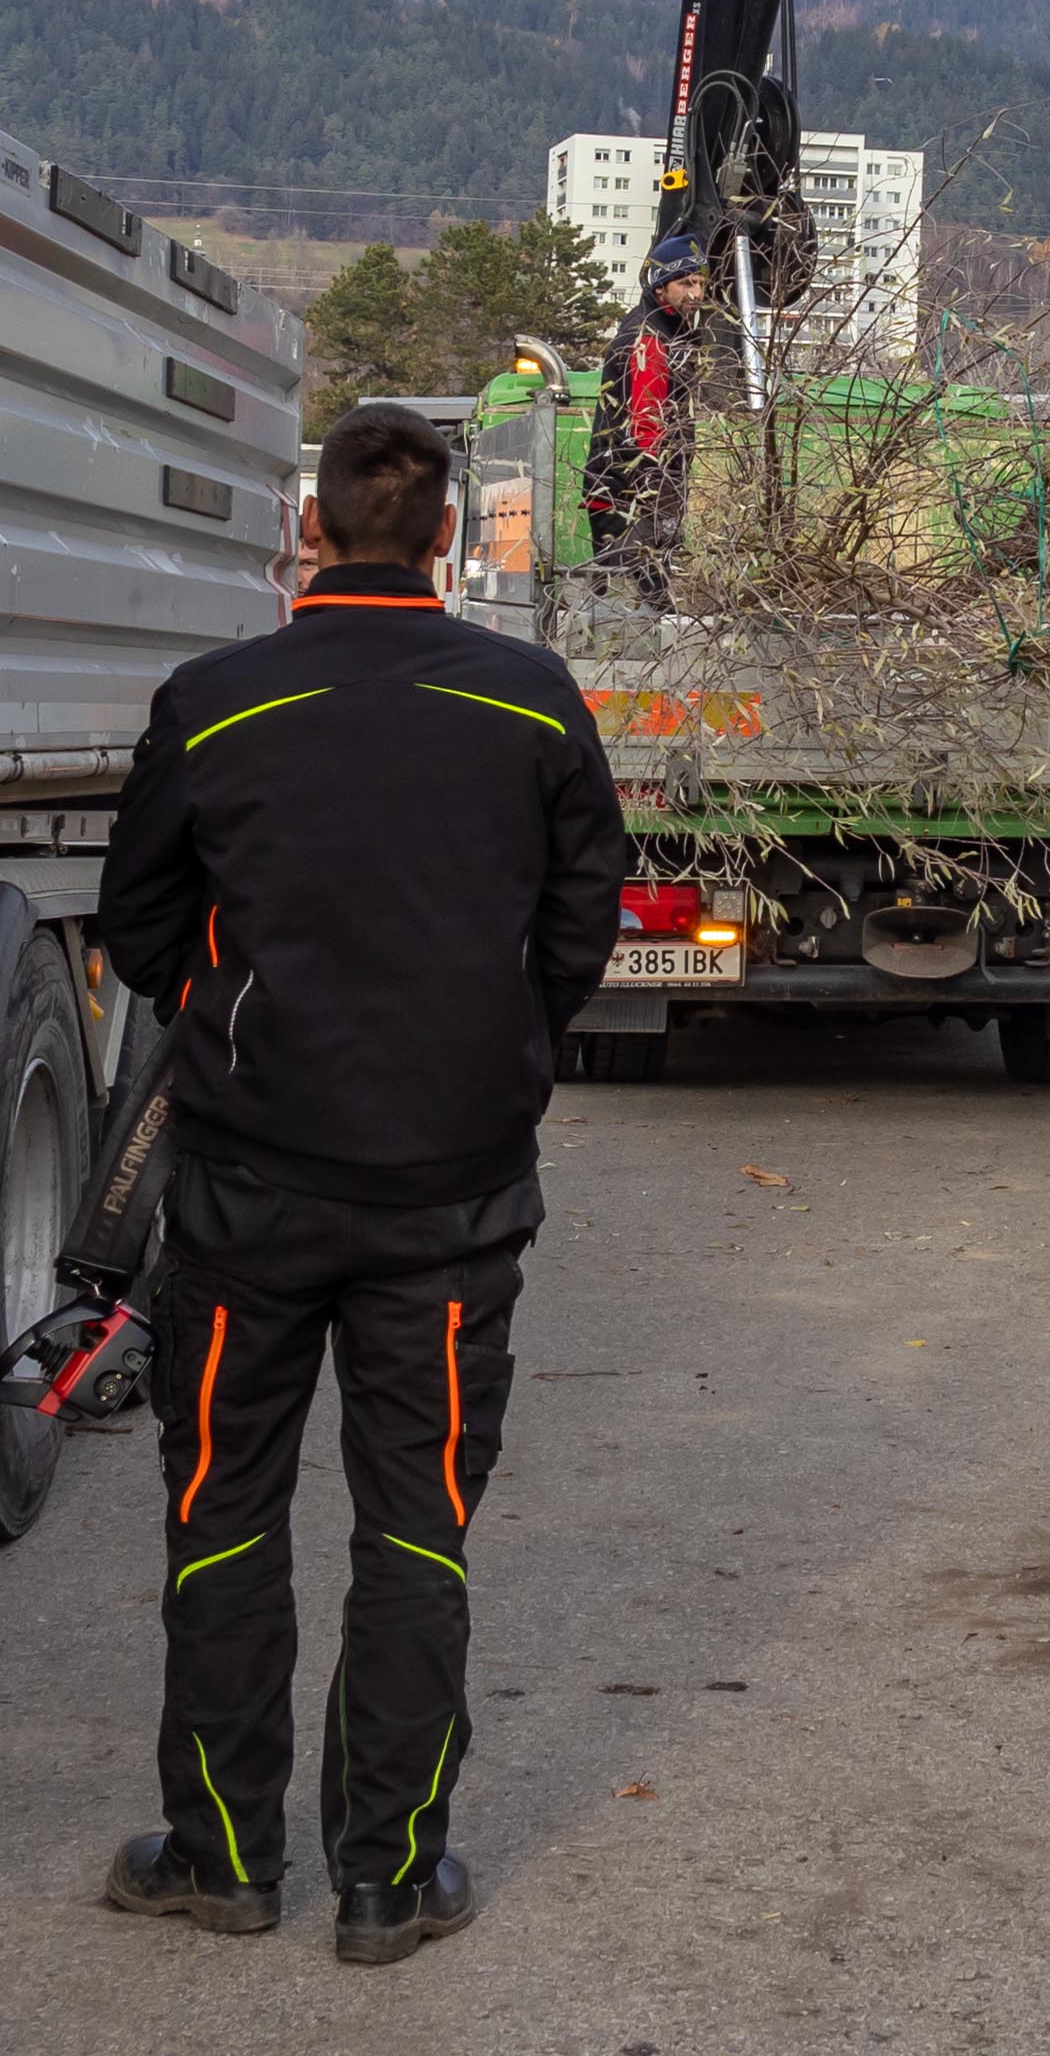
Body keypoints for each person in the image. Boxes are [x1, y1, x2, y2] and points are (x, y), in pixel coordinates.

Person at [89, 401, 630, 1962]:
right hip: (454, 1197)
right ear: (448, 537)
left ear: (312, 528)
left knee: (219, 1512)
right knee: (415, 1529)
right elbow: (584, 903)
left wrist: (224, 1019)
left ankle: (222, 1855)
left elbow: (138, 916)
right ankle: (391, 1876)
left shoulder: (212, 701)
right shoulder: (529, 701)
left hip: (248, 1189)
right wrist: (510, 1036)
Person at [584, 235, 708, 603]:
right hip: (631, 491)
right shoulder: (648, 340)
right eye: (685, 283)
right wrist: (661, 492)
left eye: (700, 282)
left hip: (629, 489)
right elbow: (646, 423)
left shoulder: (669, 330)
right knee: (647, 603)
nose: (696, 293)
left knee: (629, 597)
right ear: (659, 288)